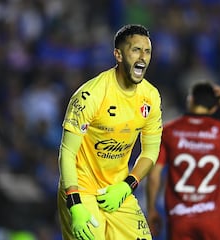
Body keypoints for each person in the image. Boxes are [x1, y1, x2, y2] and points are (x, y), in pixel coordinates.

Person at [57, 24, 163, 240]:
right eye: (136, 50)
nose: (143, 57)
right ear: (118, 54)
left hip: (117, 190)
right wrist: (74, 203)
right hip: (82, 189)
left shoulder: (151, 97)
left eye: (147, 51)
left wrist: (127, 186)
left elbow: (150, 152)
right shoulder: (90, 96)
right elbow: (67, 153)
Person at [146, 82, 220, 240]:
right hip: (212, 217)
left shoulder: (169, 131)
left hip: (180, 217)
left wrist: (151, 208)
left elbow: (154, 175)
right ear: (214, 108)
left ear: (190, 100)